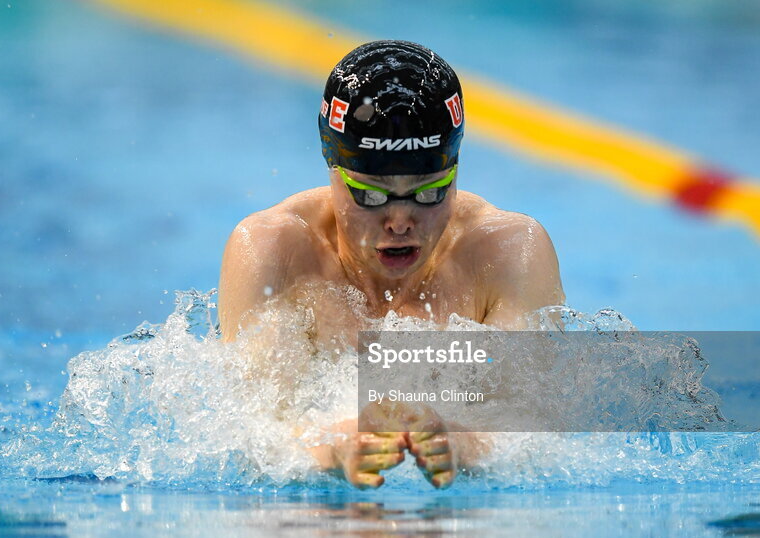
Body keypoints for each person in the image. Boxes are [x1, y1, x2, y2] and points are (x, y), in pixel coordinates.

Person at [219, 40, 564, 489]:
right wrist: (336, 445)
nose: (400, 221)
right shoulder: (272, 250)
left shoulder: (509, 253)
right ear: (331, 165)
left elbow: (539, 430)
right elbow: (251, 434)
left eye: (429, 191)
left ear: (456, 167)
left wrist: (464, 442)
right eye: (371, 195)